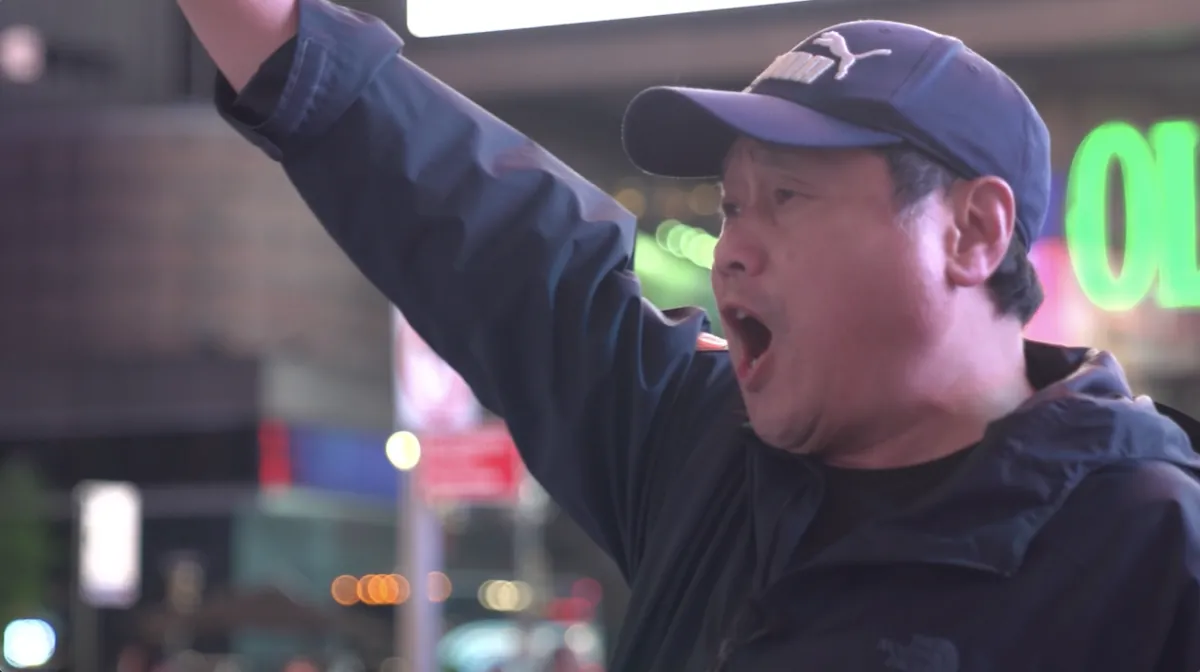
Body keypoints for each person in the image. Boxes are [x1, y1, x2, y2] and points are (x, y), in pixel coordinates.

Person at [177, 0, 1200, 669]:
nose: (734, 251)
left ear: (971, 232)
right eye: (731, 206)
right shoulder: (702, 452)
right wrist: (278, 38)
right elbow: (496, 240)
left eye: (788, 198)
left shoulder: (1153, 553)